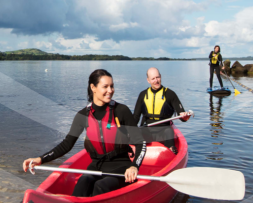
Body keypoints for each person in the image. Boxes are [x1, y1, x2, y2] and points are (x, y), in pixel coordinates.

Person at [23, 69, 146, 197]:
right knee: (83, 182)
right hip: (96, 166)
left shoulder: (121, 110)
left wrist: (134, 166)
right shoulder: (83, 115)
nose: (110, 90)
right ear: (93, 87)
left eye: (112, 86)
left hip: (120, 167)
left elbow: (140, 142)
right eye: (105, 86)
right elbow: (67, 144)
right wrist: (40, 159)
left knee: (101, 186)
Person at [133, 67, 191, 154]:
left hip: (164, 130)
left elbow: (182, 116)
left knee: (168, 132)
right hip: (147, 129)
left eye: (157, 77)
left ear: (160, 76)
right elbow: (135, 117)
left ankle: (170, 152)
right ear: (148, 80)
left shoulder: (170, 94)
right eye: (153, 79)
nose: (156, 80)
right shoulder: (143, 95)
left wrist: (185, 117)